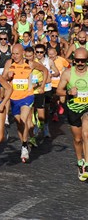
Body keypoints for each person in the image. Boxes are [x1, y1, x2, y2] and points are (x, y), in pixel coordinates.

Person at [3, 44, 48, 163]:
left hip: (27, 96)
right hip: (13, 98)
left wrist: (42, 86)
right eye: (13, 53)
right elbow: (2, 79)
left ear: (23, 53)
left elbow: (45, 70)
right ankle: (24, 142)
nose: (15, 56)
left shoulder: (30, 64)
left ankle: (23, 147)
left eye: (17, 53)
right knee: (19, 124)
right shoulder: (9, 63)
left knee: (23, 119)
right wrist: (8, 77)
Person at [56, 47, 88, 181]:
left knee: (86, 133)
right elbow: (58, 91)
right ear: (74, 60)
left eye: (83, 61)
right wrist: (69, 93)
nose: (80, 63)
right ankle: (80, 161)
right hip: (73, 109)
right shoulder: (68, 73)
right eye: (77, 60)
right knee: (78, 139)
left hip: (87, 108)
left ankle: (86, 164)